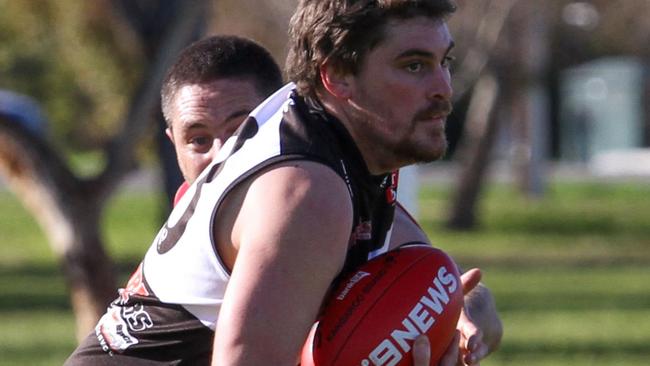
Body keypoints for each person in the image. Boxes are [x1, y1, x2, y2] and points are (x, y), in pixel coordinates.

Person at [66, 6, 501, 363]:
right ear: (337, 77)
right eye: (413, 66)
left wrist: (465, 314)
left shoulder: (339, 154)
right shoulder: (307, 192)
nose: (444, 87)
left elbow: (427, 270)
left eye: (443, 61)